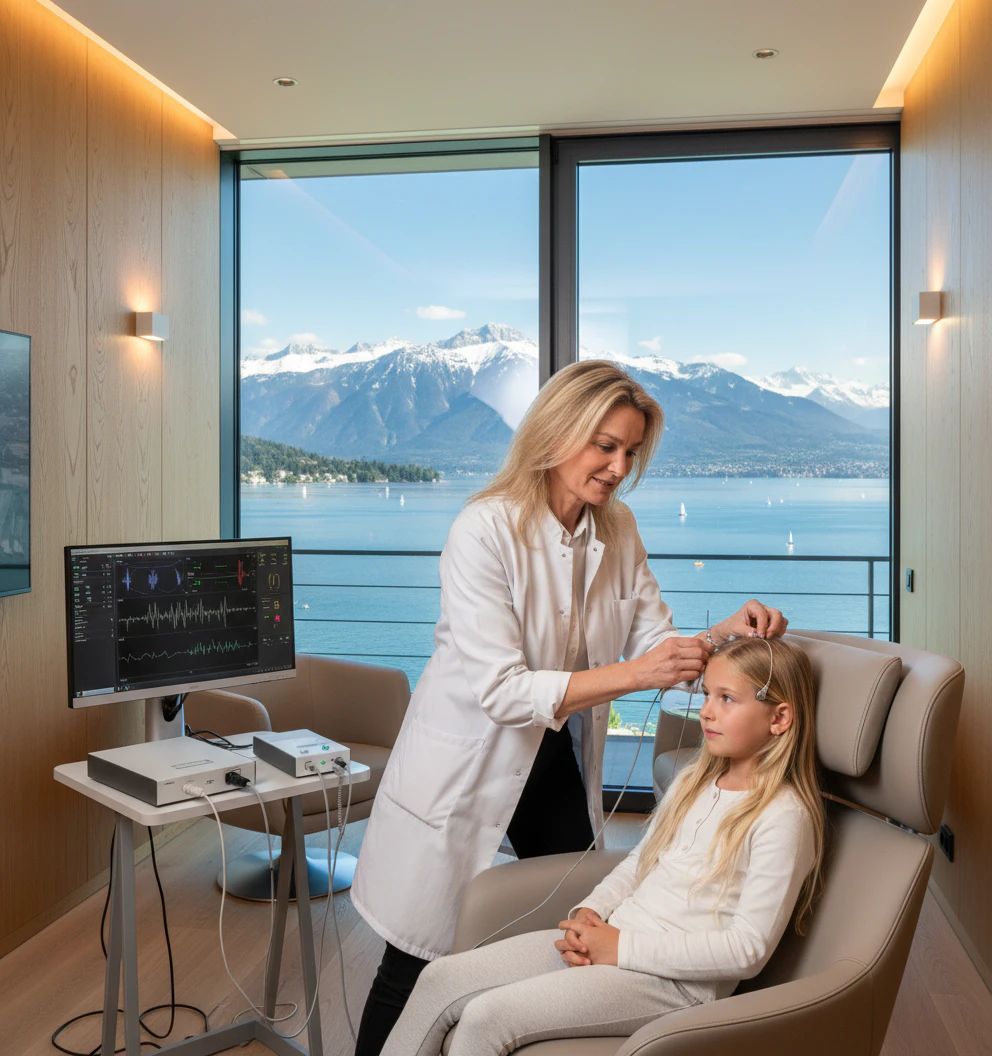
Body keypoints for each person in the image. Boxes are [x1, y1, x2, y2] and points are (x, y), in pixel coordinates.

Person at [351, 361, 789, 1055]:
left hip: (553, 759)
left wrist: (720, 636)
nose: (618, 467)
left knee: (572, 931)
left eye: (631, 452)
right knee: (412, 962)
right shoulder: (484, 530)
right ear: (557, 433)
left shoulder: (618, 531)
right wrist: (638, 670)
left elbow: (653, 643)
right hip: (465, 763)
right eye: (605, 446)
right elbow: (501, 689)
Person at [379, 635, 825, 1056]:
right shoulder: (695, 779)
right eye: (706, 695)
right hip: (612, 939)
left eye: (726, 699)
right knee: (439, 978)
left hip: (673, 983)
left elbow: (747, 949)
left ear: (779, 717)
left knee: (484, 1018)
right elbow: (640, 863)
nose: (707, 712)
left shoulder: (784, 817)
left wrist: (620, 948)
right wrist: (588, 915)